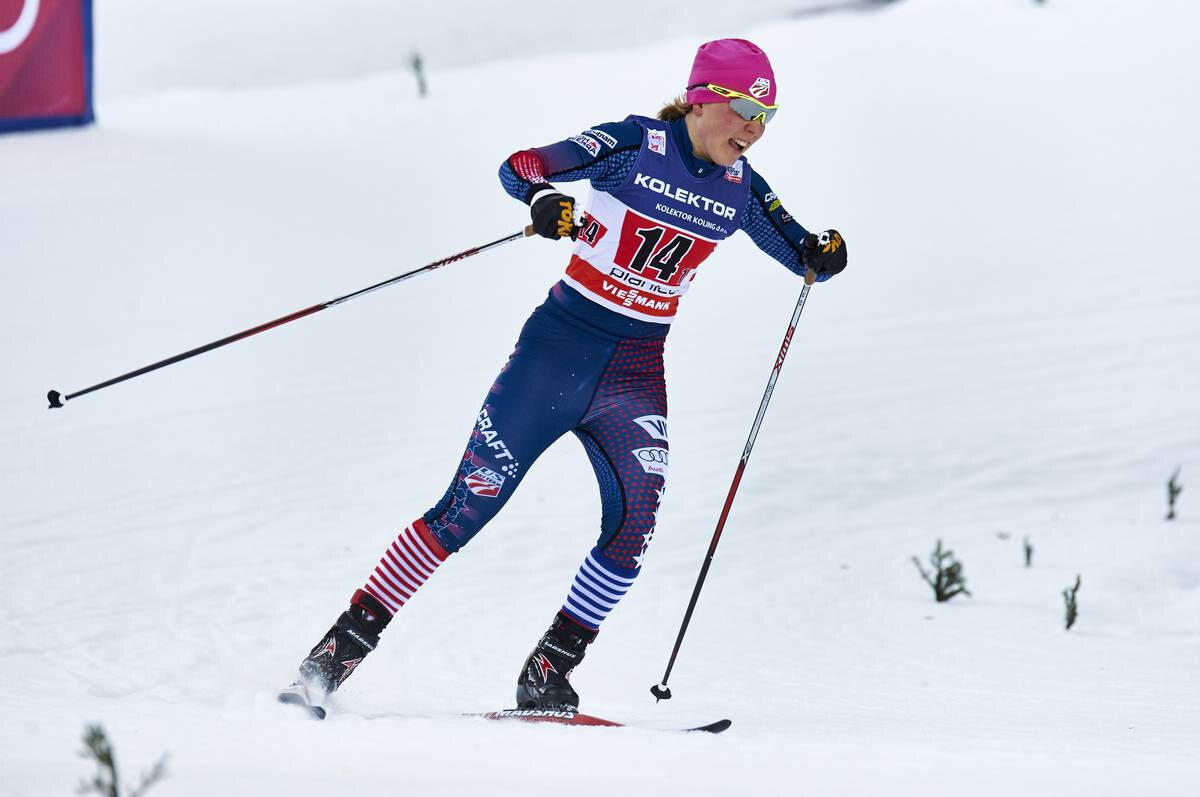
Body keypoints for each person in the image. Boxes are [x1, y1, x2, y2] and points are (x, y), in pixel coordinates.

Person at [279, 37, 847, 717]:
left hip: (636, 372)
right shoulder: (637, 144)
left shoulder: (740, 188)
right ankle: (329, 660)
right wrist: (544, 197)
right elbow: (520, 165)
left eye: (767, 116)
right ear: (702, 100)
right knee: (466, 507)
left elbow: (801, 253)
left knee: (633, 523)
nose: (753, 130)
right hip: (558, 351)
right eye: (744, 110)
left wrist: (823, 253)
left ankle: (549, 671)